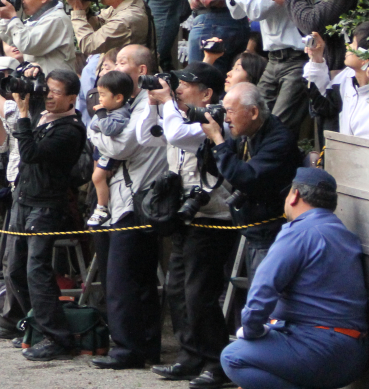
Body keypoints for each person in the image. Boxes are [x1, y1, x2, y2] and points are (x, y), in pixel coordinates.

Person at [221, 168, 369, 389]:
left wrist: (252, 330)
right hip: (354, 356)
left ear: (295, 196)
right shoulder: (344, 234)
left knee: (233, 357)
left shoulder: (299, 231)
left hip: (318, 350)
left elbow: (263, 289)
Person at [0, 66, 86, 359]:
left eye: (56, 92)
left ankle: (59, 339)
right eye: (47, 89)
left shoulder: (70, 129)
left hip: (46, 206)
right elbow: (15, 113)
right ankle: (36, 325)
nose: (48, 96)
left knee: (36, 270)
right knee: (14, 268)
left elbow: (30, 154)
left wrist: (24, 114)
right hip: (23, 199)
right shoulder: (43, 115)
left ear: (72, 98)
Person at [149, 62, 236, 389]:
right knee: (177, 289)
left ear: (207, 93)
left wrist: (169, 101)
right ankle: (190, 355)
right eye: (178, 84)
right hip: (184, 217)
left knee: (199, 293)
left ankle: (217, 362)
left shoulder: (214, 120)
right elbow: (151, 136)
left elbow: (176, 135)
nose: (179, 88)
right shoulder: (178, 115)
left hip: (212, 219)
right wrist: (153, 105)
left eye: (186, 84)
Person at [92, 44, 166, 369]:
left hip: (138, 201)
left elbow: (122, 146)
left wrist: (94, 130)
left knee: (123, 279)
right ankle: (145, 346)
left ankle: (126, 349)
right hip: (129, 198)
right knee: (139, 278)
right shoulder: (131, 102)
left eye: (123, 62)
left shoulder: (148, 102)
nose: (116, 67)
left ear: (142, 71)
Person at [196, 83, 303, 273]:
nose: (226, 118)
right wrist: (213, 140)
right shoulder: (246, 132)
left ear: (253, 112)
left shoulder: (279, 140)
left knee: (263, 295)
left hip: (271, 232)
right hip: (249, 227)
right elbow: (218, 169)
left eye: (230, 111)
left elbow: (245, 177)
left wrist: (219, 141)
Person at [221, 0, 308, 130]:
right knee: (252, 117)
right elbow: (237, 11)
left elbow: (254, 10)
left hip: (296, 60)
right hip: (273, 60)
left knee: (278, 125)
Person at [0, 0, 77, 75]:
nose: (21, 0)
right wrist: (6, 18)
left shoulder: (56, 19)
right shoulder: (37, 18)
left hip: (57, 86)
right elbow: (13, 41)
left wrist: (12, 18)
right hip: (39, 83)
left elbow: (27, 45)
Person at [85, 70, 137, 227]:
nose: (99, 99)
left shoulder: (120, 114)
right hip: (104, 151)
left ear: (118, 97)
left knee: (97, 177)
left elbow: (108, 129)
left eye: (102, 95)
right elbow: (93, 125)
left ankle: (102, 208)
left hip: (111, 154)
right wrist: (101, 120)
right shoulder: (111, 111)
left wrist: (101, 114)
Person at [304, 23, 369, 138]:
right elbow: (324, 105)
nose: (347, 47)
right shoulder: (346, 78)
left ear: (364, 58)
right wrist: (317, 58)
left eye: (353, 44)